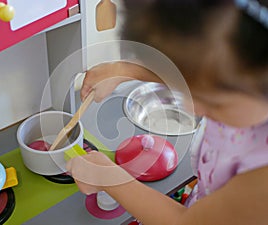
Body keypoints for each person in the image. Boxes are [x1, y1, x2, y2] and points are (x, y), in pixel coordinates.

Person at [66, 0, 268, 224]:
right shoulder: (241, 84)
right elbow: (201, 75)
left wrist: (110, 178)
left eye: (215, 103)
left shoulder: (262, 182)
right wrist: (123, 70)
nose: (192, 108)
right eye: (189, 91)